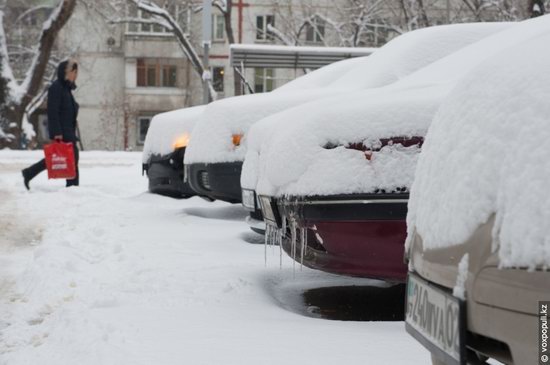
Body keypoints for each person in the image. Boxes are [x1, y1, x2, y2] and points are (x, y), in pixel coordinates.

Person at [22, 59, 80, 190]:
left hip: (69, 130)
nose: (76, 75)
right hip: (63, 131)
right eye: (74, 72)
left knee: (65, 158)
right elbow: (52, 111)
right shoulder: (56, 88)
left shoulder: (66, 89)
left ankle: (29, 173)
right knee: (70, 158)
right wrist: (57, 133)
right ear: (66, 72)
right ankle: (73, 188)